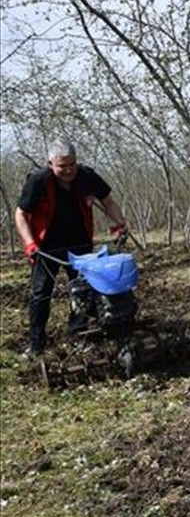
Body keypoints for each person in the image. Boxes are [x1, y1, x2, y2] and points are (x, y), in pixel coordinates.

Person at [14, 140, 128, 357]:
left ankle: (78, 335)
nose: (68, 171)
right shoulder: (38, 181)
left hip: (80, 244)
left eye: (72, 165)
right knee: (40, 294)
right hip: (45, 247)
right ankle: (36, 344)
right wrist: (30, 243)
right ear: (50, 164)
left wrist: (118, 224)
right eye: (62, 166)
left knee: (85, 291)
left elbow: (108, 202)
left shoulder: (86, 176)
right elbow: (21, 213)